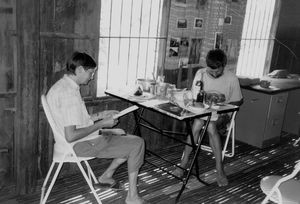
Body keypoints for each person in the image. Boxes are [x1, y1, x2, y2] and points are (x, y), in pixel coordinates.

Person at [46, 52, 147, 204]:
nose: (91, 77)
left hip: (72, 142)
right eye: (90, 72)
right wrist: (102, 125)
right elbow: (71, 135)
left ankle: (106, 176)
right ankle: (132, 197)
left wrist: (101, 115)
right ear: (80, 70)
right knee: (137, 144)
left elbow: (77, 122)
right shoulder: (68, 94)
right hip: (77, 145)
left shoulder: (63, 86)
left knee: (124, 137)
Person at [172, 49, 243, 187]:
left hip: (222, 113)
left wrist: (222, 106)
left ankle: (218, 169)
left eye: (218, 71)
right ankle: (185, 163)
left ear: (224, 65)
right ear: (207, 66)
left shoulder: (231, 78)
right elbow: (195, 97)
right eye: (211, 71)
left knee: (208, 125)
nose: (215, 74)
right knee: (198, 122)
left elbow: (238, 101)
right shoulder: (201, 73)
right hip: (204, 111)